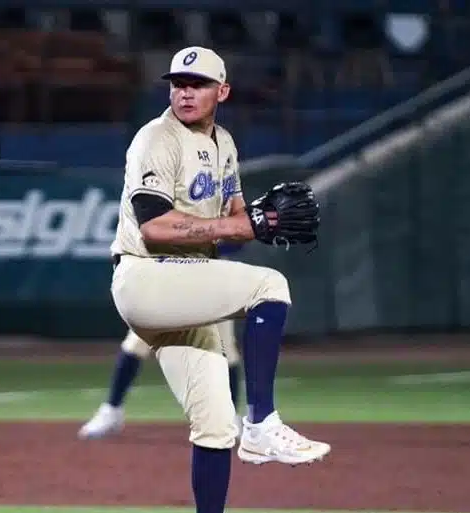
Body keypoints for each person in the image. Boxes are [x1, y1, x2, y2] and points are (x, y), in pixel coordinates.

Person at [107, 46, 329, 513]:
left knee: (214, 425)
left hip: (190, 285)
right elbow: (153, 225)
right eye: (177, 83)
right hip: (147, 277)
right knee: (270, 286)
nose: (185, 92)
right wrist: (238, 226)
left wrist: (260, 222)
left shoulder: (224, 144)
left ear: (221, 91)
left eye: (198, 84)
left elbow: (234, 222)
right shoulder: (156, 140)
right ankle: (263, 422)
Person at [78, 318, 243, 440]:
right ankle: (111, 411)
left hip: (209, 282)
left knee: (223, 347)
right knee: (137, 341)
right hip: (168, 282)